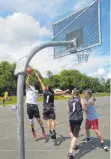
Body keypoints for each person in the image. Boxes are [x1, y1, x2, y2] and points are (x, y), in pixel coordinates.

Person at [34, 71, 69, 140]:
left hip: (45, 108)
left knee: (47, 120)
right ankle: (54, 130)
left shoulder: (44, 90)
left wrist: (37, 76)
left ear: (47, 87)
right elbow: (60, 93)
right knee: (53, 120)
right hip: (51, 108)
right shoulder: (53, 92)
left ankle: (50, 131)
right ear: (51, 88)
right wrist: (65, 91)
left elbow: (41, 82)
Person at [26, 74, 46, 139]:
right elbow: (27, 83)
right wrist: (28, 76)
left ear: (34, 86)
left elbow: (29, 85)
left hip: (35, 106)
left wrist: (29, 85)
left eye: (32, 86)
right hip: (29, 106)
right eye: (31, 85)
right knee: (31, 121)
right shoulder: (27, 90)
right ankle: (33, 131)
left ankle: (43, 130)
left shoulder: (36, 91)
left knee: (38, 120)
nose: (31, 86)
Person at [67, 88, 83, 159]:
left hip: (71, 118)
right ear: (78, 93)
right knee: (75, 135)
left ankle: (75, 145)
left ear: (73, 93)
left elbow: (68, 110)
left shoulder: (69, 100)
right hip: (78, 119)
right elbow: (84, 107)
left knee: (72, 132)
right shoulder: (80, 99)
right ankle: (70, 151)